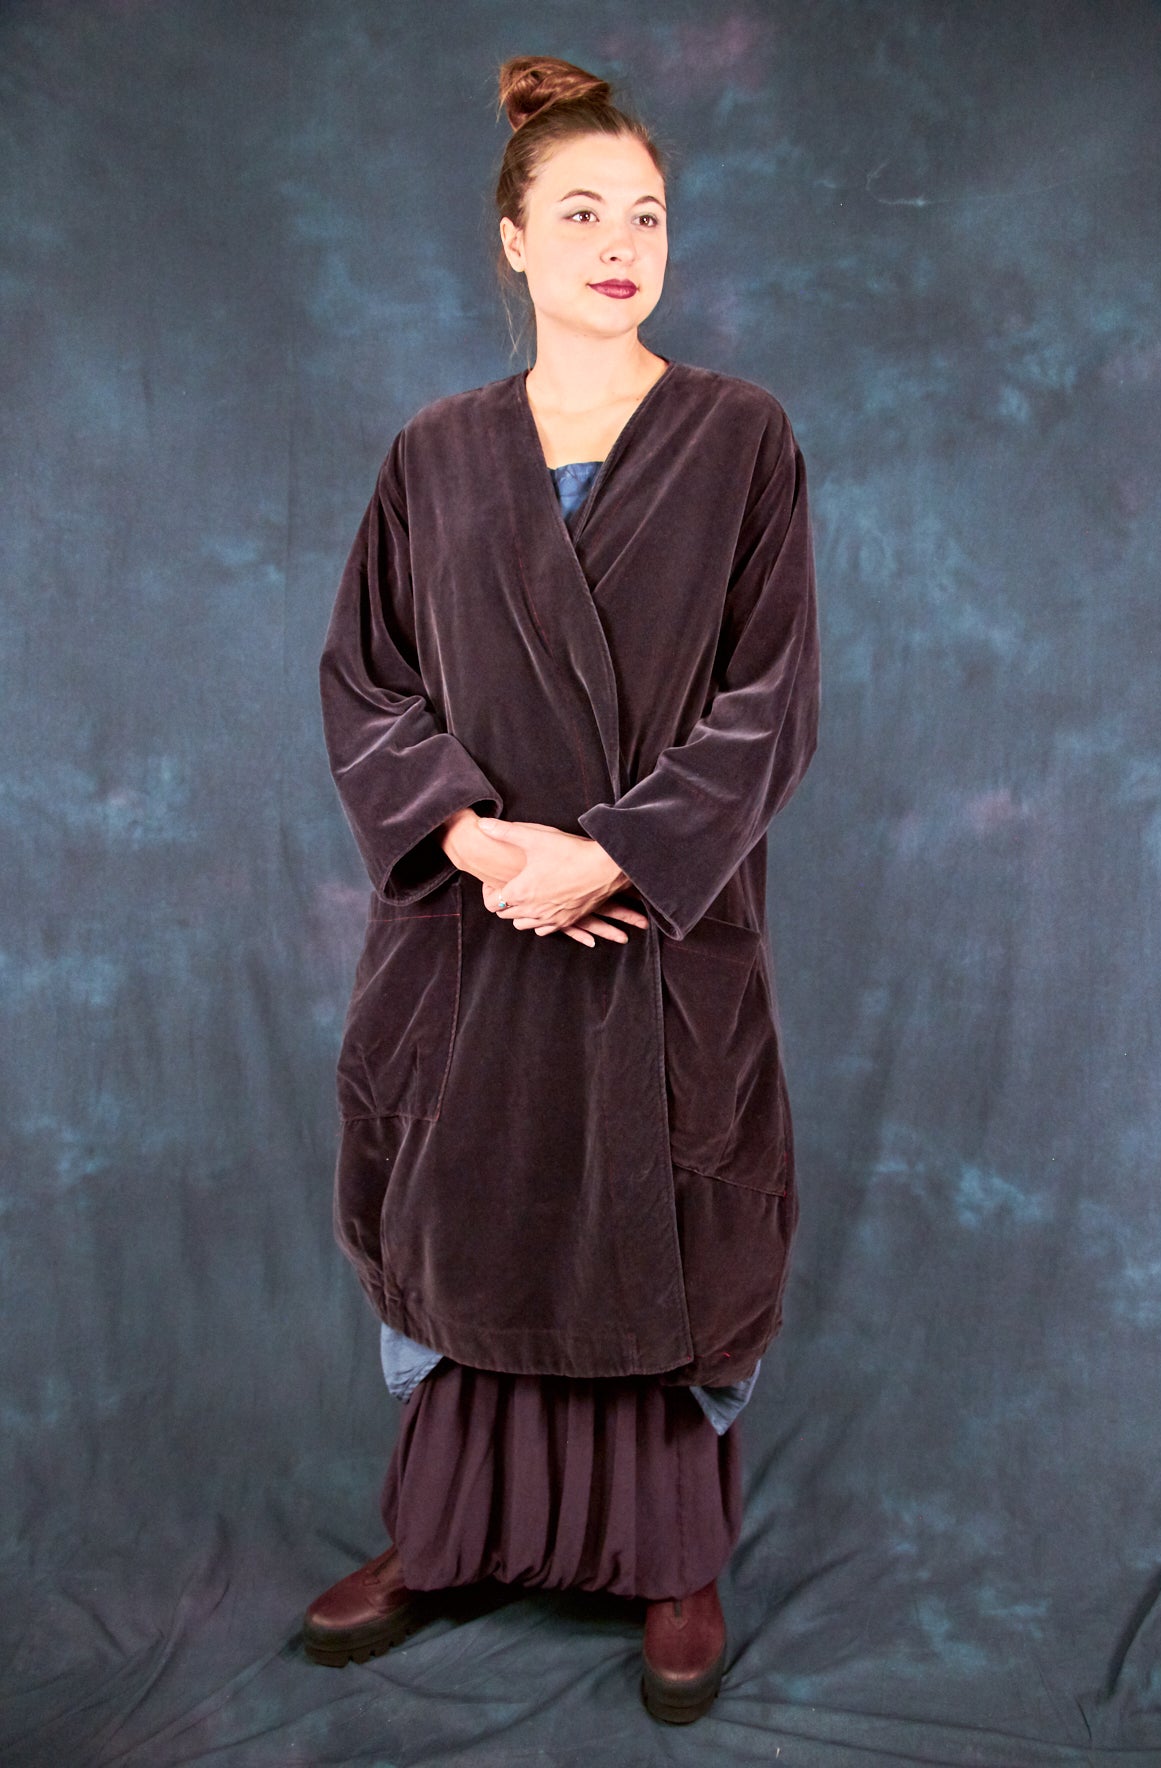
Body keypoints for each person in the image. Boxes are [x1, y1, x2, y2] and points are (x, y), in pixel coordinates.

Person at [302, 53, 820, 1727]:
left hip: (657, 935)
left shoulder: (741, 440)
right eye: (583, 213)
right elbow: (367, 683)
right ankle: (446, 1536)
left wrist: (614, 852)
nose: (620, 245)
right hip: (472, 940)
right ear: (514, 240)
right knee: (472, 1221)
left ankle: (674, 1557)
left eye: (647, 216)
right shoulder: (433, 455)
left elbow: (771, 702)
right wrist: (477, 844)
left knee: (659, 1230)